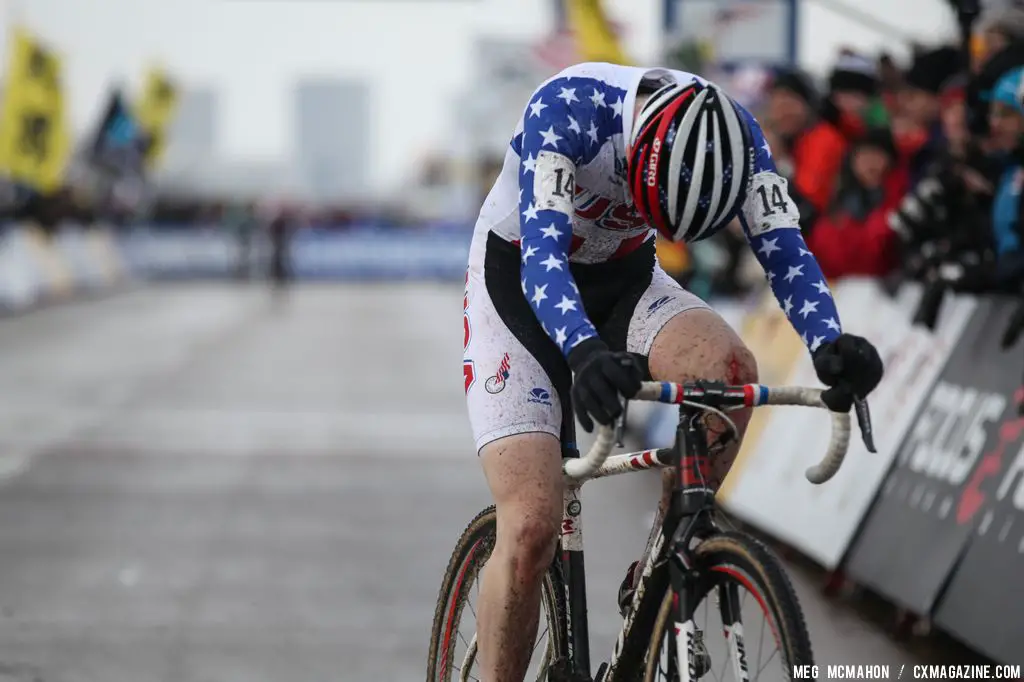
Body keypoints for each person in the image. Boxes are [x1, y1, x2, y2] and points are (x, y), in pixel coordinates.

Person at [462, 62, 885, 682]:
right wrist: (583, 353)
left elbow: (785, 252)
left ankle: (662, 564)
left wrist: (829, 342)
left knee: (729, 372)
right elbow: (543, 258)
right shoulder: (569, 108)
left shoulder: (737, 135)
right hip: (520, 284)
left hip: (628, 279)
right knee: (529, 526)